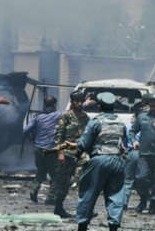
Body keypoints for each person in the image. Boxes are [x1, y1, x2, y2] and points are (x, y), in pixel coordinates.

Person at [64, 92, 126, 231]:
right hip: (117, 160)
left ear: (99, 106)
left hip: (99, 160)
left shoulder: (95, 121)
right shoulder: (120, 122)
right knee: (115, 195)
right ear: (115, 106)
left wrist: (77, 155)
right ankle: (113, 227)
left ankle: (82, 226)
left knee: (88, 193)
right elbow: (123, 143)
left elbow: (84, 144)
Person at [53, 90, 90, 218]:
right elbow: (59, 137)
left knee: (82, 181)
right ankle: (58, 207)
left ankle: (84, 210)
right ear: (72, 102)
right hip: (67, 153)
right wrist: (60, 153)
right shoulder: (66, 116)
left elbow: (88, 135)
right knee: (64, 184)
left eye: (81, 101)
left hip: (80, 153)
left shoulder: (85, 117)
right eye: (77, 101)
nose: (79, 103)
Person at [23, 96, 62, 204]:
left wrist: (30, 138)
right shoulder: (58, 115)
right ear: (54, 105)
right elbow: (71, 112)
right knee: (56, 175)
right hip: (51, 150)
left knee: (41, 170)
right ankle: (50, 198)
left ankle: (34, 190)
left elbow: (25, 130)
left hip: (38, 149)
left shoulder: (37, 117)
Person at [122, 98, 148, 209]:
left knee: (128, 180)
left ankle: (123, 202)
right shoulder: (149, 128)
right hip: (145, 155)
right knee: (144, 179)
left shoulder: (129, 128)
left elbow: (124, 143)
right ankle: (145, 202)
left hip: (132, 154)